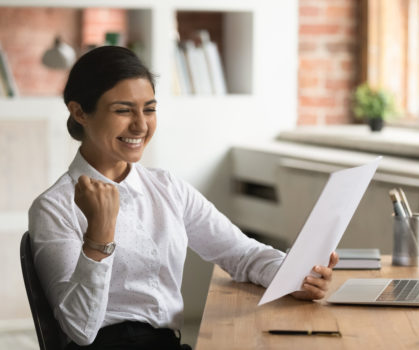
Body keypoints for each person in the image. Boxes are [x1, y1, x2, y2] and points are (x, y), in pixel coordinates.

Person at [28, 46, 338, 350]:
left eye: (149, 109)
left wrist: (296, 275)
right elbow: (79, 329)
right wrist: (99, 235)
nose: (140, 125)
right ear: (80, 112)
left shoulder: (168, 188)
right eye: (123, 110)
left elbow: (241, 253)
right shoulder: (54, 207)